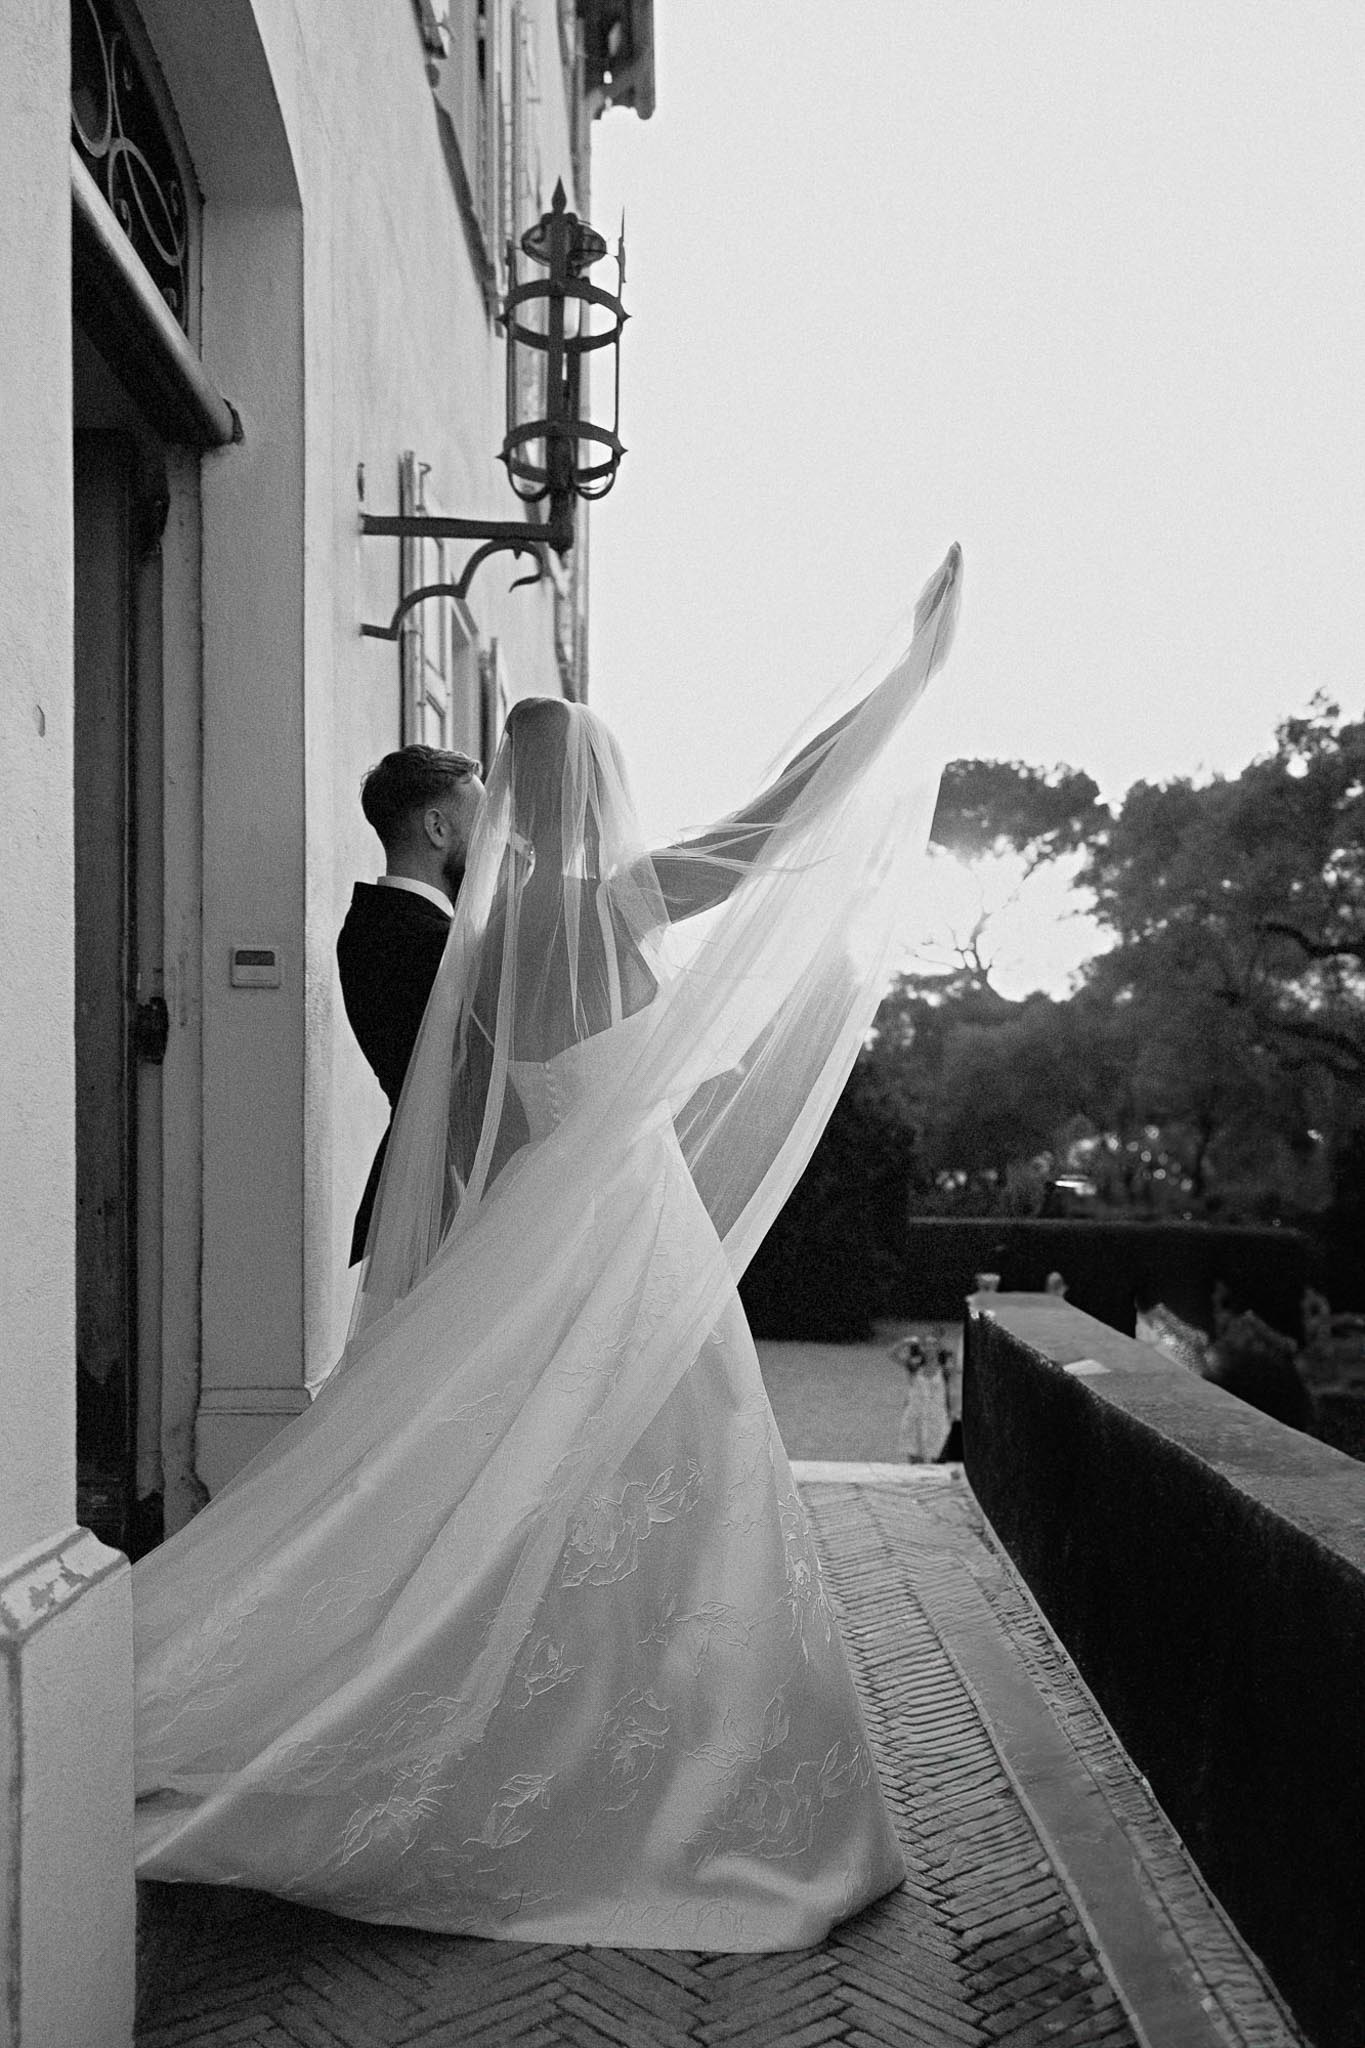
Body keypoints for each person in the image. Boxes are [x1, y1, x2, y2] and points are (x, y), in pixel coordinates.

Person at [133, 546, 962, 1950]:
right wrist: (908, 677)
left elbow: (476, 1135)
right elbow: (779, 818)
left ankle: (551, 1715)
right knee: (664, 1479)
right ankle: (656, 1756)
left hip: (555, 1229)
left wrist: (472, 1273)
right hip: (629, 1230)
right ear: (601, 792)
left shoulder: (492, 936)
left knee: (528, 1483)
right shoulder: (617, 901)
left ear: (499, 805)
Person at [337, 746, 485, 1264]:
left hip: (418, 1185)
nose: (491, 841)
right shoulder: (422, 942)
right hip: (441, 1196)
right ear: (437, 828)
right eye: (482, 822)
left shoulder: (375, 924)